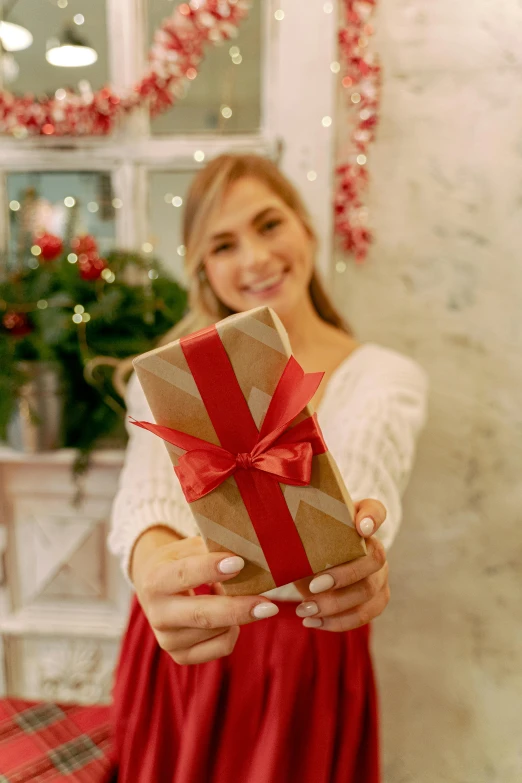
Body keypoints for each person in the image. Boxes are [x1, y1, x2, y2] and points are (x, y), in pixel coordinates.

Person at [108, 154, 428, 783]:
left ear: (308, 229)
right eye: (223, 244)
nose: (254, 258)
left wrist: (358, 549)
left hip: (302, 658)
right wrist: (154, 570)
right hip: (183, 641)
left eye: (269, 224)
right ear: (203, 266)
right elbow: (146, 497)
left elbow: (362, 491)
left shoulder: (383, 378)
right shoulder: (176, 381)